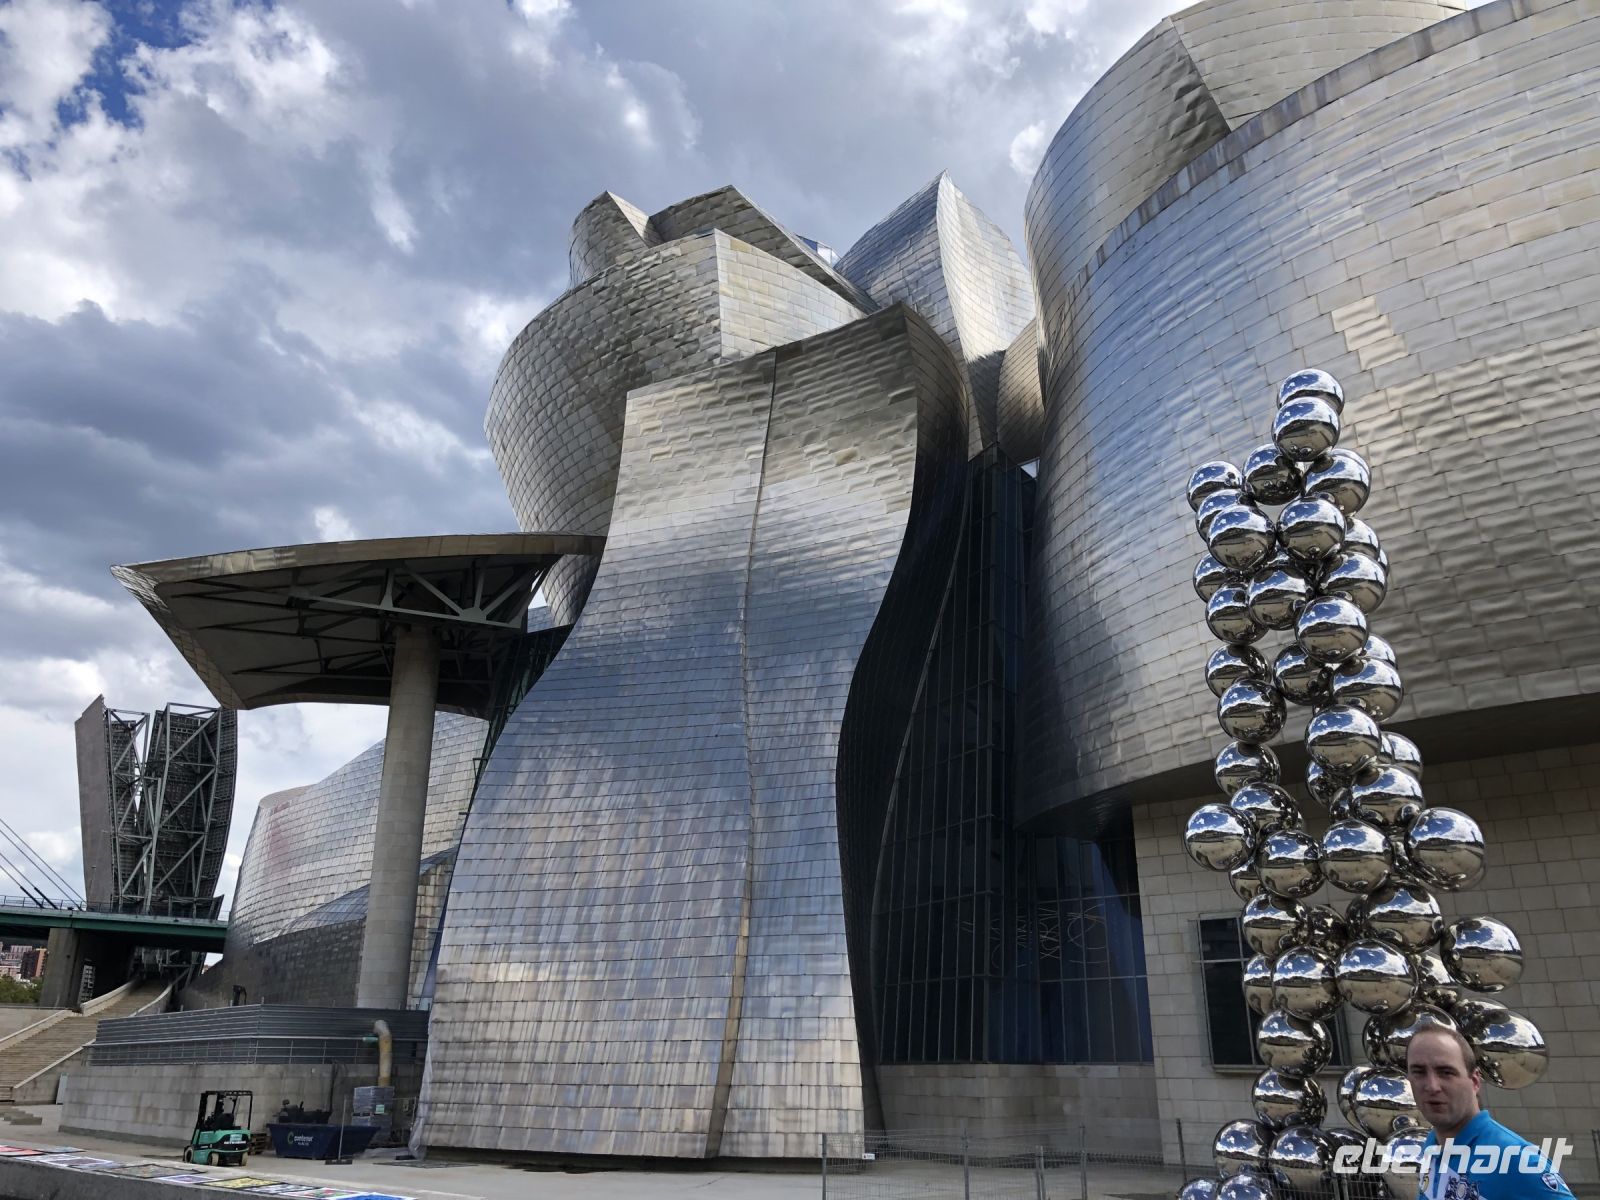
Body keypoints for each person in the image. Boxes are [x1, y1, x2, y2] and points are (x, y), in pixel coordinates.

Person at [1406, 1025, 1574, 1200]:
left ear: (1475, 1081)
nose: (1432, 1086)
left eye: (1446, 1072)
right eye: (1419, 1072)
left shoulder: (1519, 1161)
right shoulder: (1432, 1146)